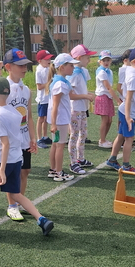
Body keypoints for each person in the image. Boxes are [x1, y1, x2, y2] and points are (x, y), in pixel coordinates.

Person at [0, 76, 54, 242]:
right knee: (16, 194)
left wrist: (1, 169)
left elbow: (4, 144)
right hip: (16, 158)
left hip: (1, 160)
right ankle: (41, 219)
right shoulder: (14, 112)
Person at [2, 47, 37, 221]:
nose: (24, 68)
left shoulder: (26, 89)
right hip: (11, 139)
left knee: (25, 170)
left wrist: (33, 137)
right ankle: (12, 205)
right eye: (20, 65)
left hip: (24, 137)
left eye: (25, 65)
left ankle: (19, 200)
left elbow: (28, 116)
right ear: (8, 67)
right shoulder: (3, 88)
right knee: (13, 173)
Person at [106, 48, 135, 173]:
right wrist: (128, 117)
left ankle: (112, 160)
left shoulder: (133, 70)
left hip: (126, 110)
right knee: (129, 139)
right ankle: (126, 165)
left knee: (121, 136)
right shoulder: (133, 77)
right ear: (134, 62)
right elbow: (129, 98)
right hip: (127, 112)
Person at [46, 53, 81, 182]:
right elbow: (55, 106)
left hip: (59, 119)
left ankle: (53, 170)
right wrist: (54, 124)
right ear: (62, 67)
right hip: (60, 120)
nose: (73, 67)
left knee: (55, 145)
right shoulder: (60, 84)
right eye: (70, 65)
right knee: (59, 146)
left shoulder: (60, 82)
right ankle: (59, 172)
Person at [68, 44, 97, 174]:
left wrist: (88, 94)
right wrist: (85, 96)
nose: (89, 60)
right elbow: (70, 95)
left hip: (83, 108)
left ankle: (80, 158)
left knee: (83, 133)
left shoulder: (83, 71)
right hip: (75, 109)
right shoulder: (73, 73)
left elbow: (81, 89)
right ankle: (73, 162)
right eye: (87, 57)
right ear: (79, 58)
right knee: (74, 135)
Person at [94, 49, 121, 149]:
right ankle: (102, 141)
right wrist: (117, 99)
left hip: (108, 97)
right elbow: (108, 87)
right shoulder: (101, 72)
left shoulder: (109, 71)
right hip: (102, 97)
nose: (106, 62)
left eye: (108, 60)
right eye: (104, 60)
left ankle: (103, 139)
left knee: (109, 120)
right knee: (105, 120)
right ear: (100, 61)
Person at [34, 49, 54, 148]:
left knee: (46, 118)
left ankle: (45, 136)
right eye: (46, 59)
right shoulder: (39, 70)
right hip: (42, 99)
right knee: (41, 118)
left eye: (49, 59)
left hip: (48, 98)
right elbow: (39, 86)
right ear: (40, 61)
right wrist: (49, 83)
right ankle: (39, 139)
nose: (49, 61)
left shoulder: (48, 68)